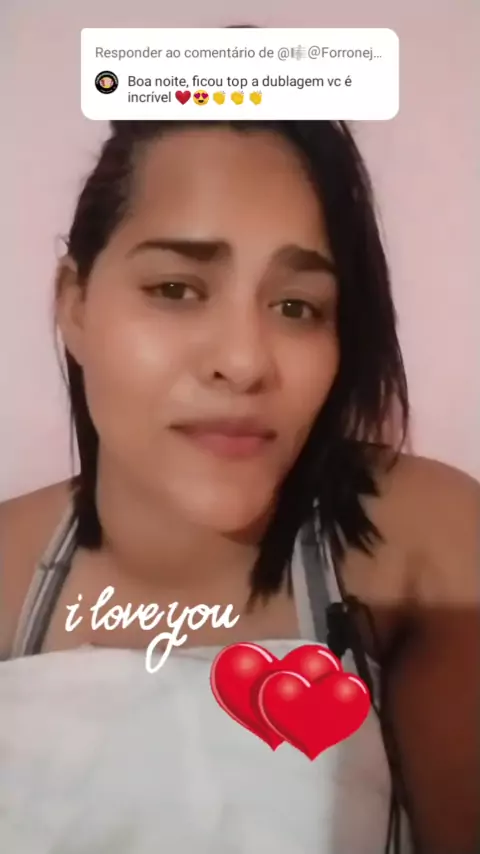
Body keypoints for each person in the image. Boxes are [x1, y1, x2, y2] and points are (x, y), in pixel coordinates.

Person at [0, 118, 478, 854]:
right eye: (175, 289)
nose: (246, 361)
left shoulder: (426, 546)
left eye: (297, 307)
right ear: (76, 304)